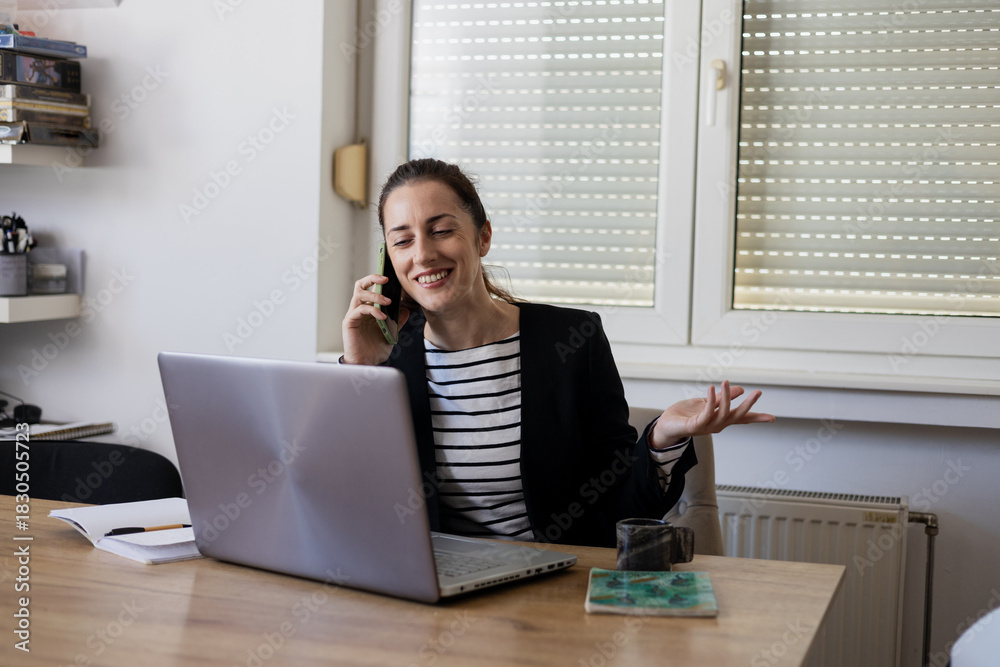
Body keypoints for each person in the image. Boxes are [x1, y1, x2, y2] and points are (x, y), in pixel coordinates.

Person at [342, 158, 774, 547]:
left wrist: (662, 438)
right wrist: (362, 372)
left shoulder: (573, 340)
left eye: (441, 230)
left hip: (549, 586)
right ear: (388, 260)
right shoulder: (389, 360)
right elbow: (354, 503)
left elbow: (621, 504)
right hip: (431, 586)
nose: (422, 254)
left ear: (483, 236)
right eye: (403, 241)